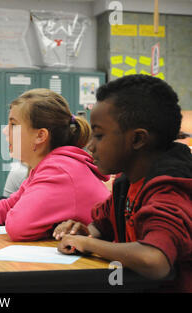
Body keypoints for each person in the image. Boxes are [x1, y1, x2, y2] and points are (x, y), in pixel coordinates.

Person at [53, 75, 192, 292]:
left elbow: (154, 260)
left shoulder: (170, 188)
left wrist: (88, 244)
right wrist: (83, 232)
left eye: (99, 135)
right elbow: (101, 226)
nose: (90, 146)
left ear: (137, 139)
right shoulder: (127, 182)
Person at [0, 88, 110, 241]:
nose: (5, 131)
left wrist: (47, 226)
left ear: (40, 136)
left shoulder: (59, 170)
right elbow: (10, 206)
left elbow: (18, 226)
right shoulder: (49, 166)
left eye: (13, 125)